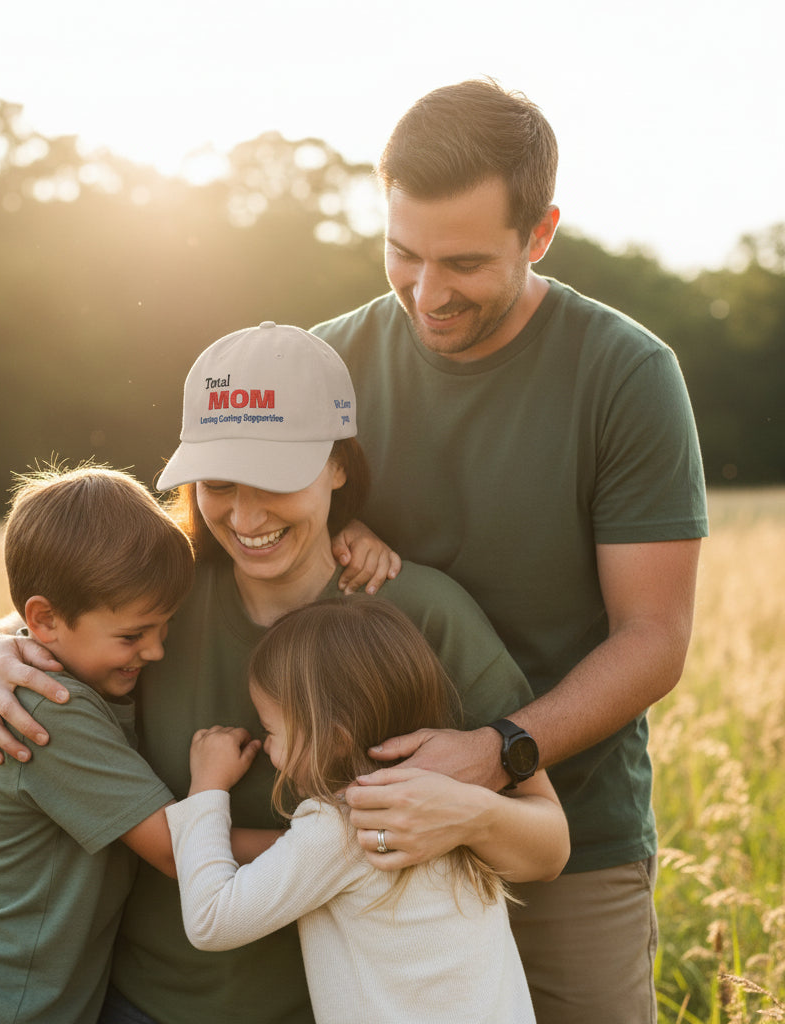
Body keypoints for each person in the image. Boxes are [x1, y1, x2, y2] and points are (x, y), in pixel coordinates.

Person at [0, 322, 570, 1024]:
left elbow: (546, 844)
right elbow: (64, 616)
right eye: (217, 485)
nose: (245, 516)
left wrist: (461, 817)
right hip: (142, 1004)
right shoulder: (167, 601)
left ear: (339, 465)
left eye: (276, 481)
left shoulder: (420, 615)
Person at [308, 79, 709, 1023]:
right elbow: (198, 545)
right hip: (367, 844)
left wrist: (498, 753)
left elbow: (654, 637)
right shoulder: (327, 367)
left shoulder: (627, 375)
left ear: (541, 233)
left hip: (572, 841)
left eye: (464, 263)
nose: (427, 292)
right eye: (402, 254)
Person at [168, 597, 556, 1024]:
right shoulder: (451, 795)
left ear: (333, 739)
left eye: (271, 730)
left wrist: (206, 787)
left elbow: (211, 921)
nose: (269, 748)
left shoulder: (342, 823)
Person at [0, 464, 195, 1024]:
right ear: (44, 620)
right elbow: (178, 850)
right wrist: (334, 841)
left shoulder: (66, 653)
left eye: (166, 625)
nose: (156, 651)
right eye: (134, 635)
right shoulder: (46, 710)